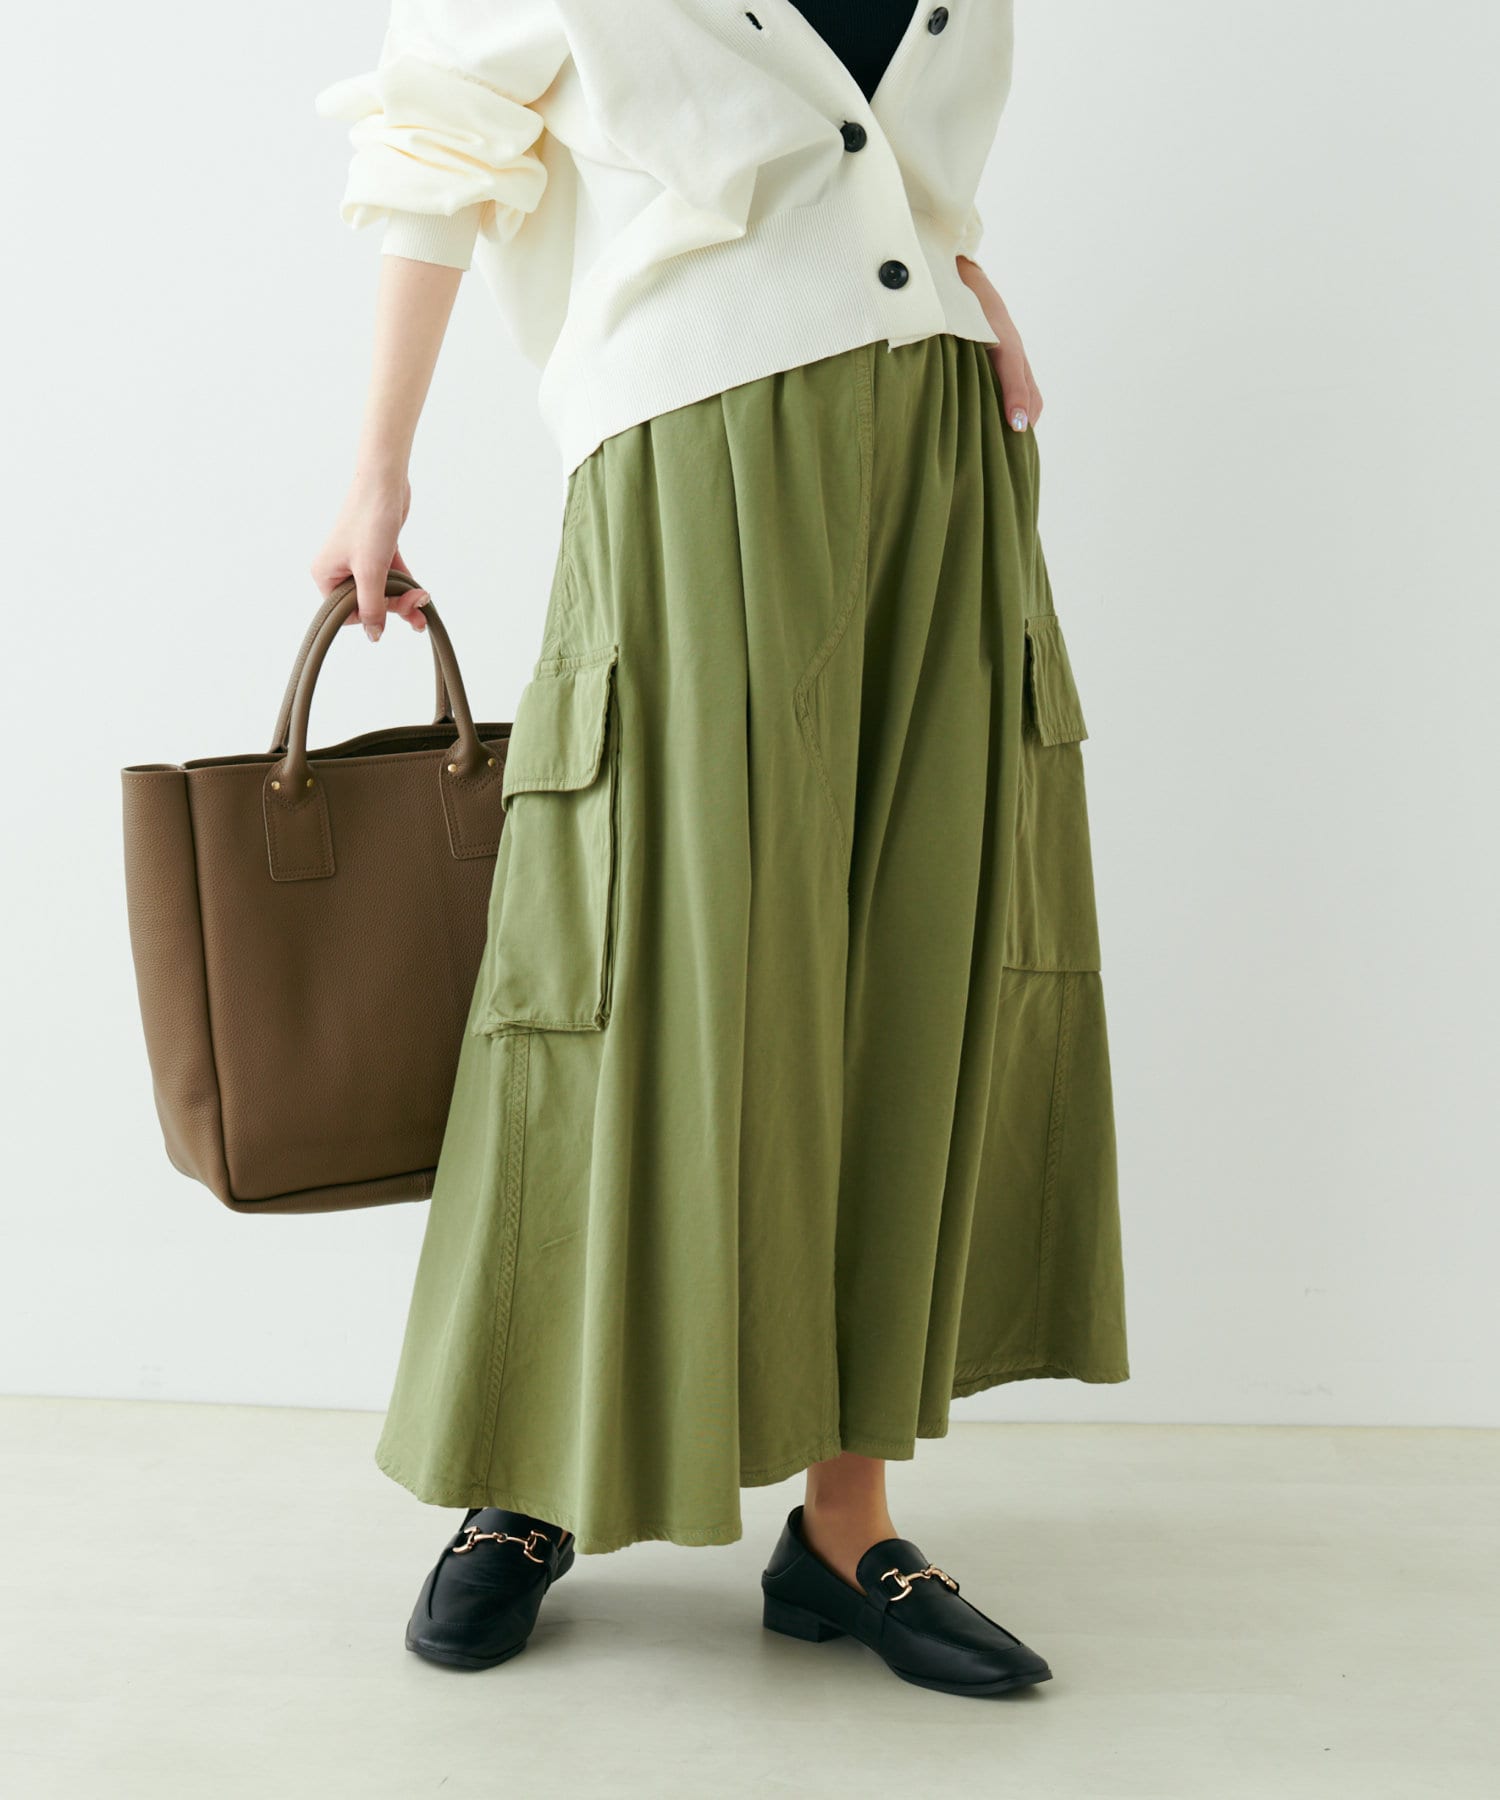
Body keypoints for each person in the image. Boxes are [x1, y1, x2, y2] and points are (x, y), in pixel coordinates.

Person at [313, 0, 1128, 1698]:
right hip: (692, 450)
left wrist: (952, 280)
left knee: (904, 964)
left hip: (944, 454)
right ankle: (530, 1478)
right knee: (630, 973)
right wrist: (375, 470)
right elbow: (434, 140)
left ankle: (848, 1522)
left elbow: (881, 158)